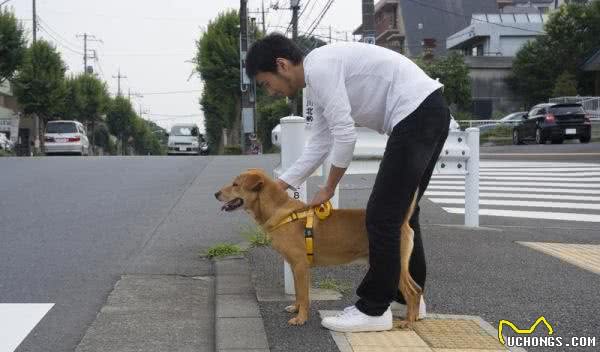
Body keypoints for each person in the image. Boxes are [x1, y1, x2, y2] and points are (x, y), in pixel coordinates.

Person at [245, 33, 450, 333]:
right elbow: (320, 142)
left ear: (282, 64)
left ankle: (373, 309)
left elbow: (345, 136)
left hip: (416, 114)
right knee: (402, 213)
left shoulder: (321, 69)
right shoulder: (317, 79)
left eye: (266, 83)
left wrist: (327, 188)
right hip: (427, 111)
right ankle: (404, 300)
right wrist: (281, 185)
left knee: (381, 216)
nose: (271, 91)